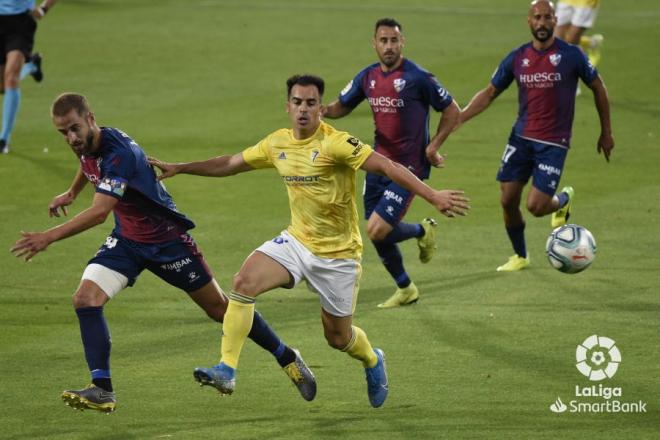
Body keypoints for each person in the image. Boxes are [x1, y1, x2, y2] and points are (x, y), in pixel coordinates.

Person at [149, 74, 469, 408]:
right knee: (243, 282)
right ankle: (227, 368)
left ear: (321, 108)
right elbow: (230, 163)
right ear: (288, 107)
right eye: (298, 102)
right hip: (297, 243)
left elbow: (388, 167)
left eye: (311, 103)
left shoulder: (337, 143)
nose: (304, 109)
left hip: (339, 257)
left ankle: (372, 359)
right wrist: (180, 167)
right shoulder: (277, 143)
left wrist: (432, 195)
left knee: (338, 338)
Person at [10, 93, 316, 413]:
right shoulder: (89, 143)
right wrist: (72, 192)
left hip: (168, 243)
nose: (71, 138)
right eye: (63, 132)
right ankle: (102, 388)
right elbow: (87, 163)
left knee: (221, 310)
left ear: (90, 119)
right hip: (127, 242)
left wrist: (48, 236)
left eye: (74, 129)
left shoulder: (120, 154)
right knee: (85, 299)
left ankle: (287, 357)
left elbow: (100, 212)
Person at [458, 0, 614, 272]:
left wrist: (606, 132)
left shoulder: (572, 55)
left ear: (555, 21)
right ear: (528, 21)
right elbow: (489, 92)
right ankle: (520, 255)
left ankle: (562, 201)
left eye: (546, 18)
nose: (542, 23)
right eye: (537, 18)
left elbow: (599, 88)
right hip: (521, 138)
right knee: (507, 199)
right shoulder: (518, 57)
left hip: (553, 142)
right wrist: (460, 117)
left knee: (537, 206)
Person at [324, 18, 461, 308]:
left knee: (377, 229)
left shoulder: (418, 77)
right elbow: (341, 106)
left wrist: (434, 145)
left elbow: (452, 111)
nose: (389, 46)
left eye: (394, 40)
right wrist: (318, 111)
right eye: (383, 41)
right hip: (377, 164)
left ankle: (423, 230)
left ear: (403, 43)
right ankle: (406, 288)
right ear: (374, 44)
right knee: (376, 233)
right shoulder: (368, 77)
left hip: (409, 168)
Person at [0, 0, 55, 154]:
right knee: (3, 86)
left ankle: (3, 139)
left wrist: (43, 9)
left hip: (20, 22)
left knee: (11, 78)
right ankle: (31, 65)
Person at [555, 0, 603, 67]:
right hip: (565, 1)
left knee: (571, 40)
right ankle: (590, 43)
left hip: (586, 3)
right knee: (557, 39)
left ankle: (583, 70)